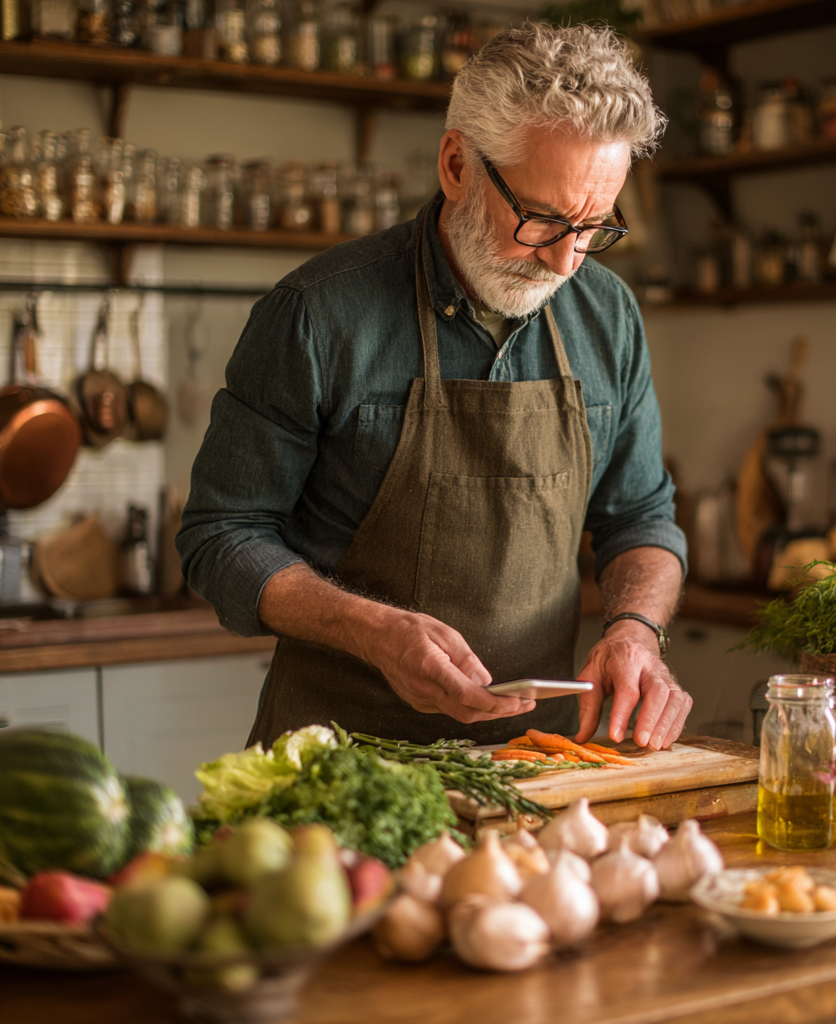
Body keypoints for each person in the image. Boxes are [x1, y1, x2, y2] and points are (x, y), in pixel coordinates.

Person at [177, 22, 692, 753]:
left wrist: (636, 631)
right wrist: (374, 629)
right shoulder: (318, 315)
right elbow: (220, 535)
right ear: (456, 164)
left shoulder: (607, 315)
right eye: (543, 219)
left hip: (535, 765)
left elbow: (639, 516)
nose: (565, 262)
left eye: (593, 227)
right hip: (341, 762)